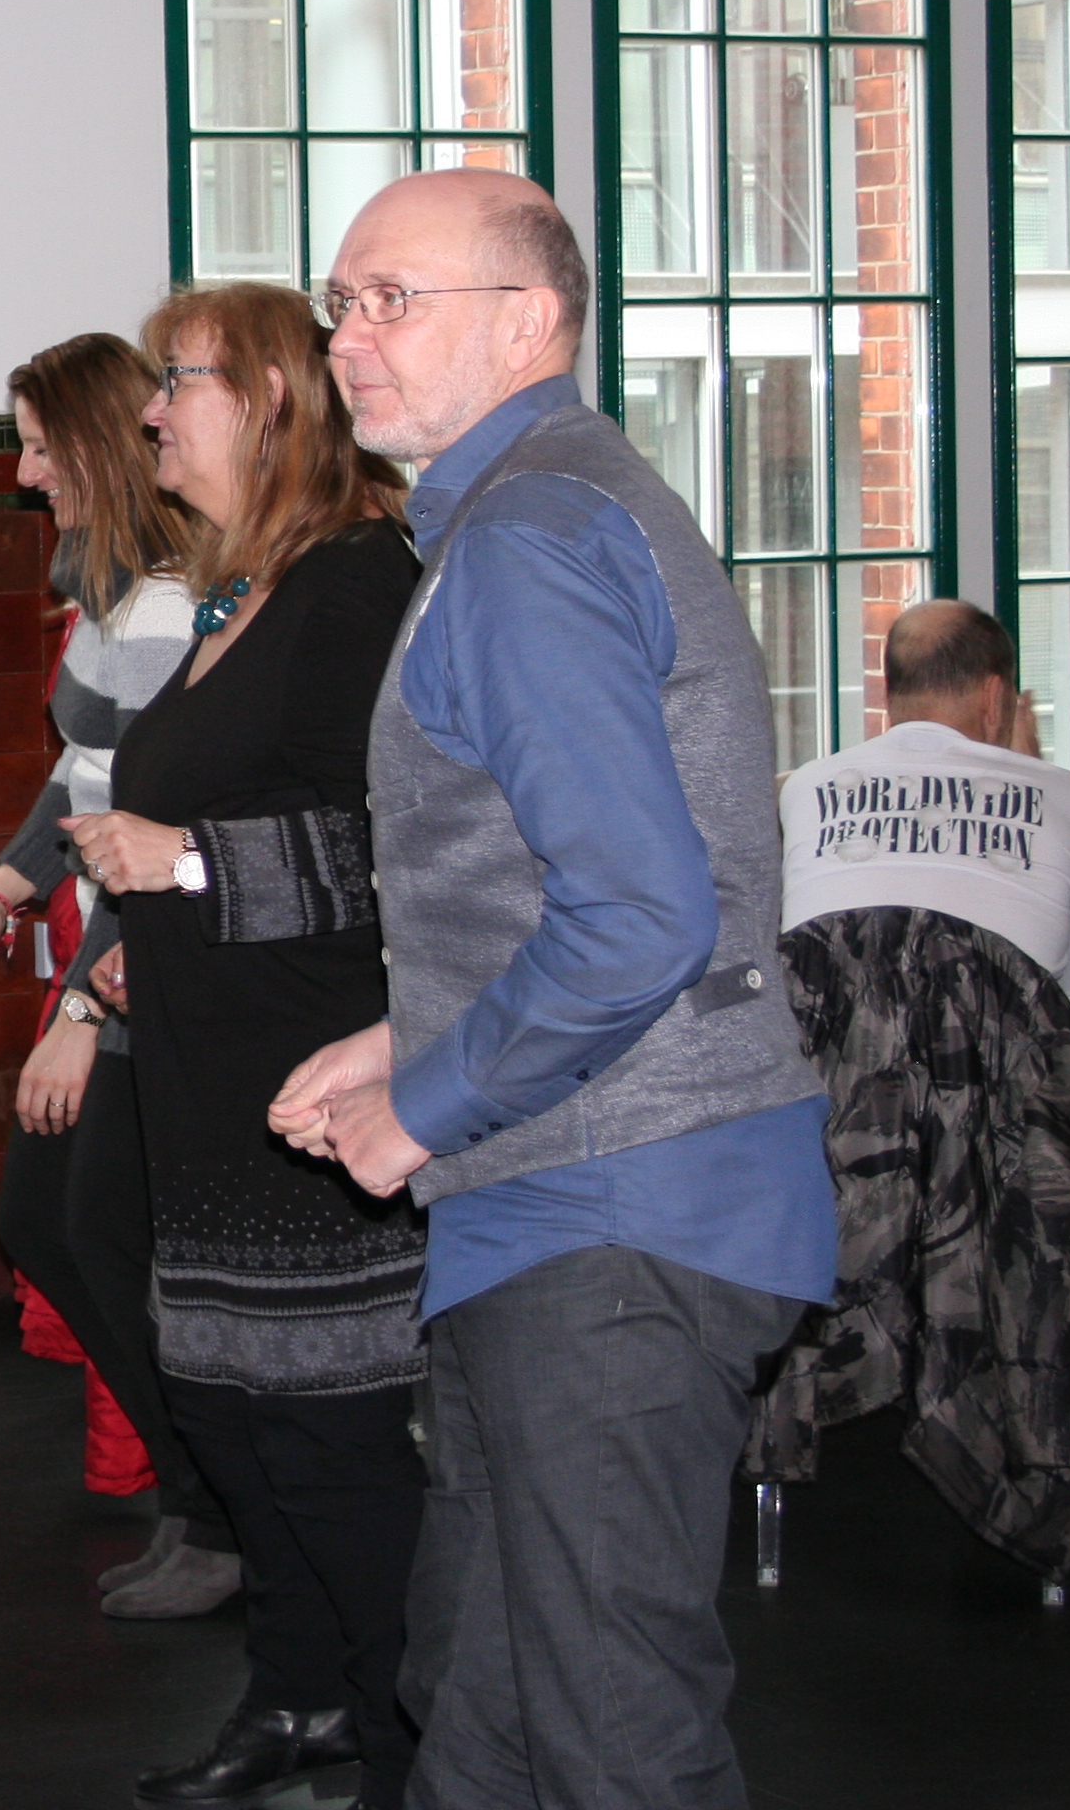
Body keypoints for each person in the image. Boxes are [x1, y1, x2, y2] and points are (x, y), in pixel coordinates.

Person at [271, 169, 837, 1810]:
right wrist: (411, 1032)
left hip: (615, 1206)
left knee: (602, 1725)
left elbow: (643, 913)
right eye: (340, 301)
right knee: (483, 1703)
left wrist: (425, 1103)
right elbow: (585, 874)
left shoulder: (528, 535)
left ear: (528, 322)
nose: (349, 337)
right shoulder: (536, 507)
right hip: (579, 1197)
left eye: (393, 299)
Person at [58, 287, 425, 1810]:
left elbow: (396, 846)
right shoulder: (242, 590)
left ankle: (405, 1740)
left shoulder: (358, 586)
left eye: (180, 381)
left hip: (314, 1087)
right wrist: (141, 936)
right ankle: (296, 1697)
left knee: (327, 1442)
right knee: (227, 1414)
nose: (151, 412)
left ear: (272, 401)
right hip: (211, 1077)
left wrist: (188, 866)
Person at [0, 332, 243, 1622]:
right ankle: (202, 1499)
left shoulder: (169, 608)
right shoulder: (117, 596)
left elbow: (165, 821)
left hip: (150, 967)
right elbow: (85, 775)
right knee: (54, 1225)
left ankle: (215, 1507)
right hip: (115, 957)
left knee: (87, 1227)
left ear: (99, 449)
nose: (24, 473)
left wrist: (79, 1006)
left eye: (40, 448)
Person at [776, 600, 1070, 988]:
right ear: (994, 695)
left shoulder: (805, 788)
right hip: (999, 1027)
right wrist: (1034, 778)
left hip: (837, 1025)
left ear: (886, 693)